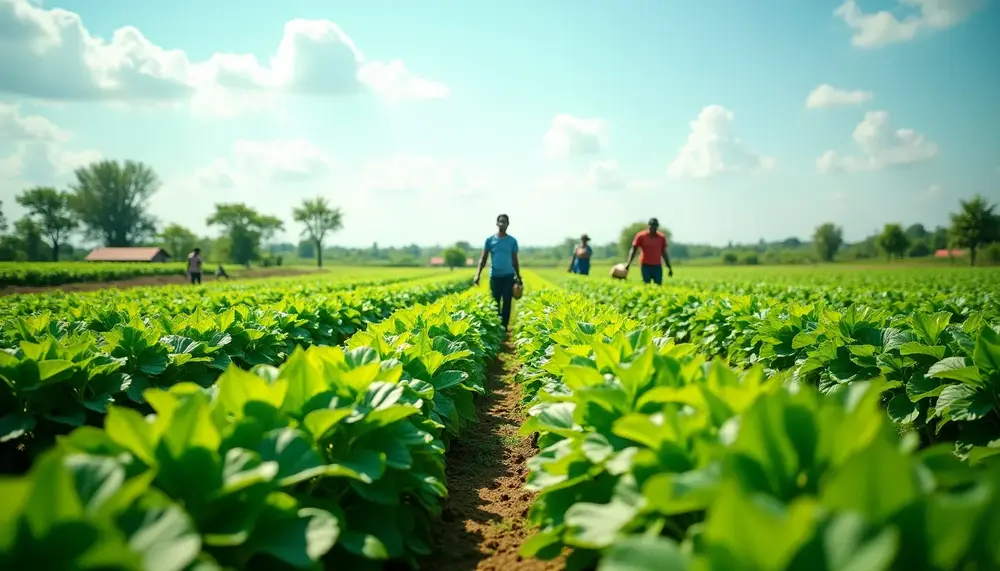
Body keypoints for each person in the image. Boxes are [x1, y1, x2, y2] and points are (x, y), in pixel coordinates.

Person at [474, 213, 522, 330]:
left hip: (508, 276)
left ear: (508, 224)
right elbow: (483, 258)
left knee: (507, 302)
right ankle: (497, 327)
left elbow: (515, 260)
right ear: (497, 223)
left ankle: (504, 327)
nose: (502, 224)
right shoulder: (490, 240)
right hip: (495, 276)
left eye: (504, 221)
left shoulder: (512, 241)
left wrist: (518, 276)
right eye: (500, 221)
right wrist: (477, 274)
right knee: (495, 302)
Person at [625, 217, 673, 284]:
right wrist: (628, 263)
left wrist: (669, 267)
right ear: (649, 226)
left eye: (655, 226)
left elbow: (664, 253)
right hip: (645, 265)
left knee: (658, 285)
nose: (653, 228)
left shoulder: (661, 238)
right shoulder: (641, 236)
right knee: (646, 285)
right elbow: (633, 250)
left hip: (657, 266)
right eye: (652, 226)